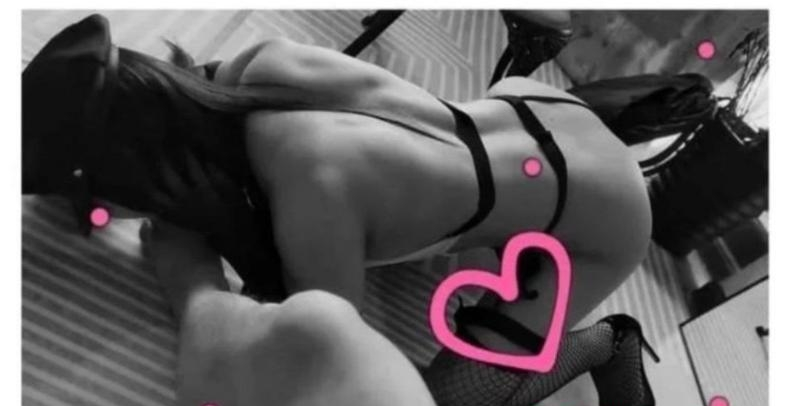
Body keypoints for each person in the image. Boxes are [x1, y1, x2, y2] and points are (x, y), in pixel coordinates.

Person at [23, 13, 656, 406]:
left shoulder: (312, 198)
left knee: (452, 399)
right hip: (533, 107)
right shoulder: (257, 62)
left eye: (96, 205)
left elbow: (326, 360)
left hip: (612, 219)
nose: (107, 216)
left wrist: (195, 281)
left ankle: (608, 343)